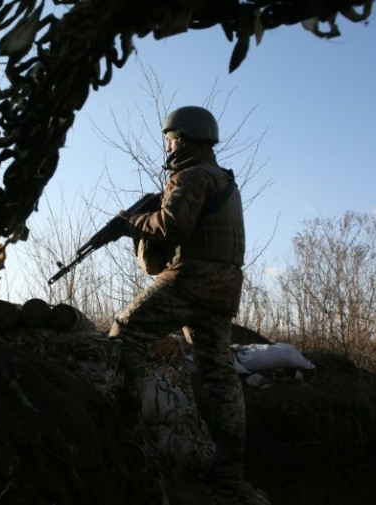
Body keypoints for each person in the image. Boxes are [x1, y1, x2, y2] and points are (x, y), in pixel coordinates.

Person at [109, 105, 247, 499]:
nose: (168, 147)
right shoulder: (224, 181)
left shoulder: (191, 176)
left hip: (192, 280)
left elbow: (173, 225)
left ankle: (125, 433)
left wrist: (130, 224)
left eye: (171, 139)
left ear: (184, 140)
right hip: (224, 289)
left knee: (128, 329)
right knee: (219, 373)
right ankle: (229, 472)